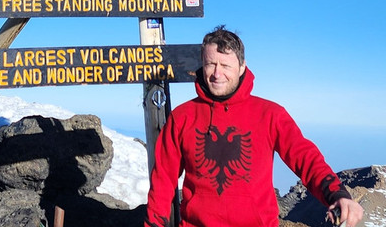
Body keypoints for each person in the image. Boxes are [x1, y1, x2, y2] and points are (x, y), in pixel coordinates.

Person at [145, 26, 364, 227]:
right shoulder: (182, 117)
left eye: (225, 65)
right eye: (211, 64)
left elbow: (306, 159)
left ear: (242, 67)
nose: (217, 73)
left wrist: (338, 195)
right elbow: (163, 180)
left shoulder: (270, 115)